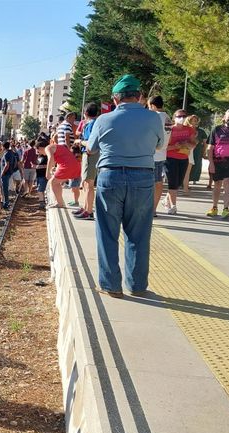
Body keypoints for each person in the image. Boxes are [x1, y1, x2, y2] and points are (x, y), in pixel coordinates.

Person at [86, 75, 164, 298]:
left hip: (110, 177)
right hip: (142, 177)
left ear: (114, 99)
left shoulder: (103, 120)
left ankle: (111, 285)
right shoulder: (153, 118)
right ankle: (137, 285)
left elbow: (91, 148)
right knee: (139, 233)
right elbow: (160, 145)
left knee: (107, 233)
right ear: (139, 96)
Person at [161, 108, 197, 215]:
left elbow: (193, 144)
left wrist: (187, 144)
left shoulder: (190, 129)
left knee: (178, 183)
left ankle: (166, 200)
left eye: (183, 116)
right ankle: (173, 206)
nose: (181, 118)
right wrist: (174, 146)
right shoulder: (169, 129)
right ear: (174, 118)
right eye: (178, 116)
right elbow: (163, 147)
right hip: (170, 159)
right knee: (172, 182)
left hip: (183, 158)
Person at [72, 104, 101, 220]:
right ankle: (85, 207)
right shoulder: (93, 124)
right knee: (85, 183)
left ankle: (88, 211)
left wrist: (79, 141)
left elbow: (90, 143)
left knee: (88, 183)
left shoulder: (91, 125)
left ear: (85, 113)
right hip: (89, 155)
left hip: (90, 155)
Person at [148, 96, 171, 215]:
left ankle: (151, 209)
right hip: (162, 154)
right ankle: (153, 209)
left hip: (153, 154)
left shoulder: (155, 117)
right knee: (158, 181)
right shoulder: (167, 117)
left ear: (153, 106)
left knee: (154, 183)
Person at [184, 115, 207, 190]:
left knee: (194, 167)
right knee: (184, 167)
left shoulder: (201, 131)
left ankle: (186, 185)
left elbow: (205, 143)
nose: (194, 122)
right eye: (192, 120)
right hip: (184, 151)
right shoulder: (184, 129)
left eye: (195, 120)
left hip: (197, 151)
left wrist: (204, 153)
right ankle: (183, 184)